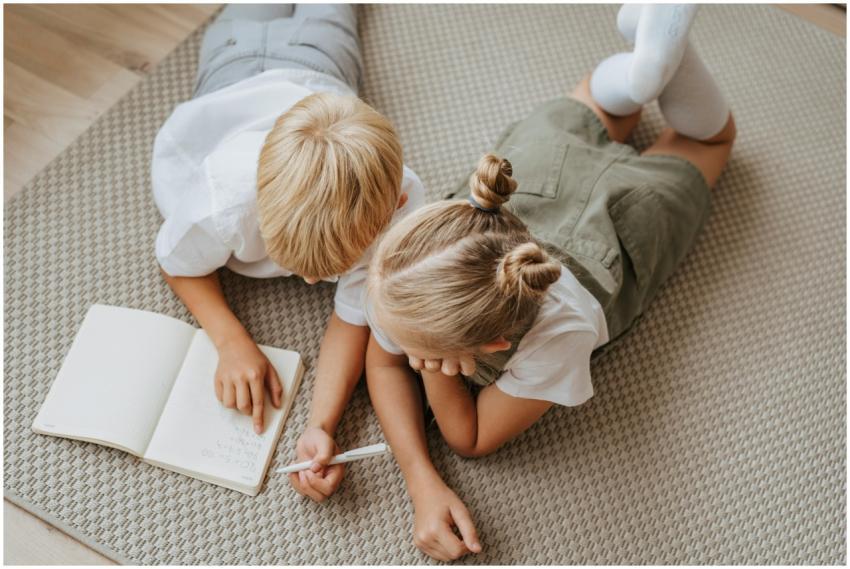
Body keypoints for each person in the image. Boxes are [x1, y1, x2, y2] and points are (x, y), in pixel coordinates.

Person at [362, 6, 736, 560]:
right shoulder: (414, 270)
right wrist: (421, 479)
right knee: (595, 104)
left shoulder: (561, 336)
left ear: (493, 345)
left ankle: (651, 73)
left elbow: (469, 438)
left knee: (710, 142)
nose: (390, 341)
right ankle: (641, 76)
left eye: (417, 350)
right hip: (537, 176)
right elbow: (381, 362)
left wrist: (435, 373)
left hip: (622, 222)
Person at [150, 4, 425, 501]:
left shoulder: (400, 207)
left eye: (328, 271)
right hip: (232, 61)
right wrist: (230, 340)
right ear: (258, 208)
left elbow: (353, 317)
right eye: (298, 266)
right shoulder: (224, 201)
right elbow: (175, 263)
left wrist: (321, 424)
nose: (313, 283)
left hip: (322, 62)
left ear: (395, 207)